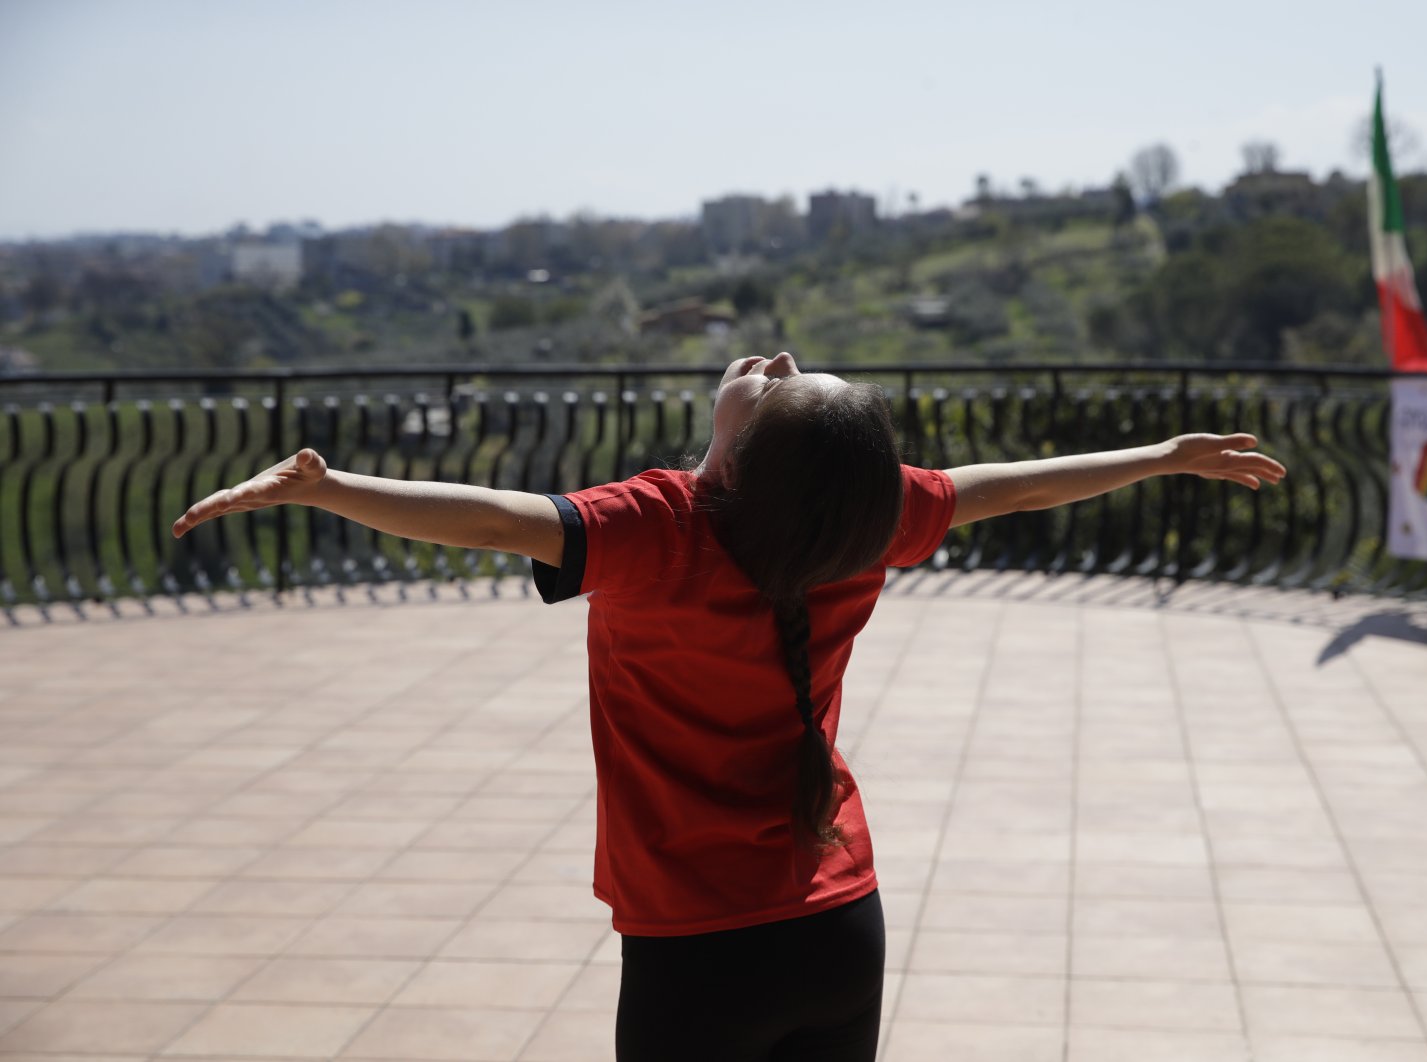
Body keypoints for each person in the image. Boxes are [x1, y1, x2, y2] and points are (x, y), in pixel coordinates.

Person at [173, 352, 1285, 1061]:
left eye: (783, 390)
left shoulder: (657, 524)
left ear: (743, 457)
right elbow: (1014, 483)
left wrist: (324, 488)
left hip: (697, 948)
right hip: (839, 917)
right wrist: (1163, 457)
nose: (779, 362)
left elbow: (493, 519)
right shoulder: (870, 522)